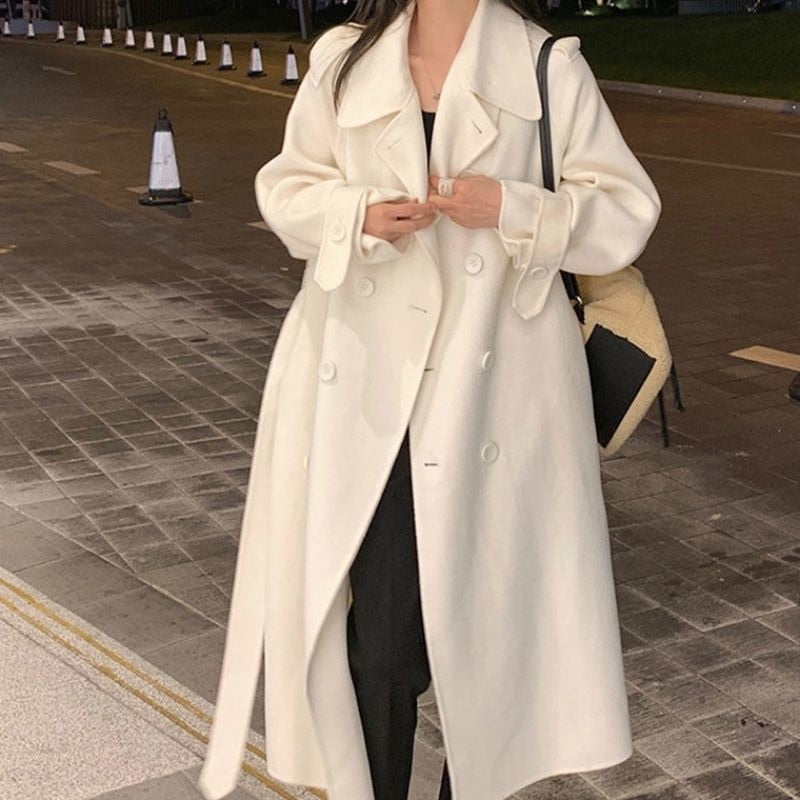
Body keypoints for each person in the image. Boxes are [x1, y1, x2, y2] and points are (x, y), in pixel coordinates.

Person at [198, 1, 663, 800]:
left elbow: (626, 210)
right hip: (372, 392)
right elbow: (288, 185)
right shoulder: (346, 58)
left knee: (491, 636)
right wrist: (354, 215)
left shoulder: (547, 66)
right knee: (381, 644)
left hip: (503, 393)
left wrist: (515, 207)